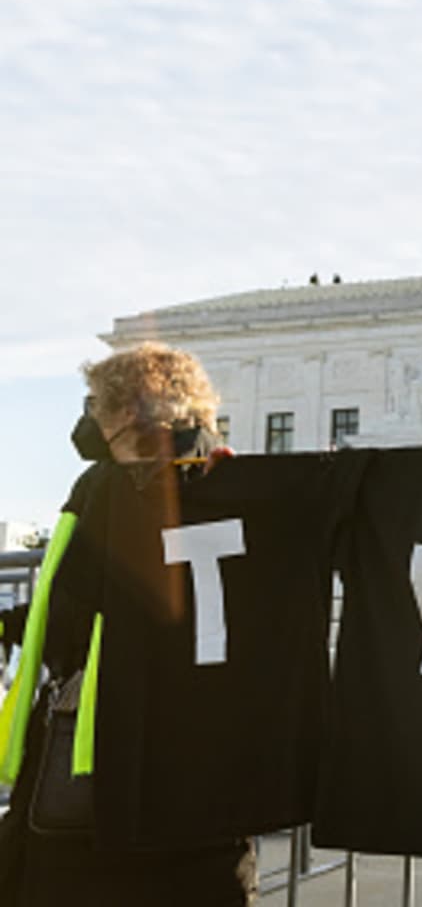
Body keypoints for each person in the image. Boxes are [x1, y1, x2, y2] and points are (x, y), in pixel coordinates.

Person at [0, 342, 254, 905]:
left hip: (101, 766)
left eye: (96, 403)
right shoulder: (235, 479)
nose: (87, 417)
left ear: (131, 411)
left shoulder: (108, 488)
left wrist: (11, 627)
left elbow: (72, 615)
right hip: (211, 756)